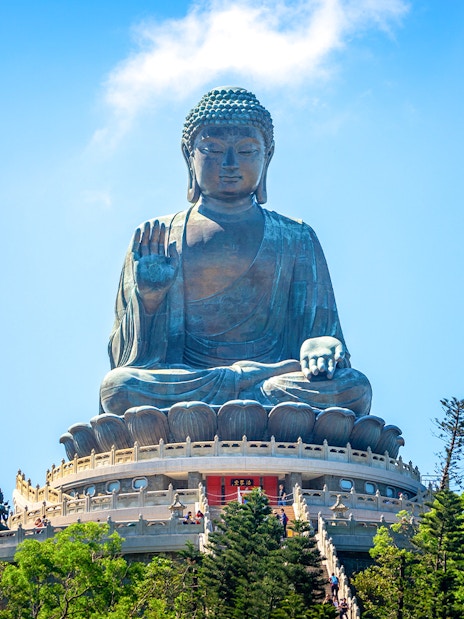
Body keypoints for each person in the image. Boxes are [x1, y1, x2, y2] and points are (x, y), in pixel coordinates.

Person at [100, 87, 372, 421]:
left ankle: (238, 402)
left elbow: (320, 333)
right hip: (190, 383)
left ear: (266, 157)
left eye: (246, 151)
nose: (230, 164)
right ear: (189, 157)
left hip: (275, 381)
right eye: (212, 150)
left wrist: (321, 345)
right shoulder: (157, 236)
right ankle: (245, 402)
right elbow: (126, 360)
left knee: (353, 388)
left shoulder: (296, 237)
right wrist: (151, 300)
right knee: (119, 388)